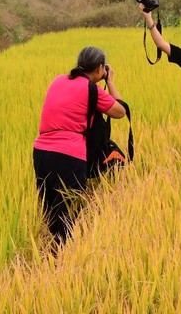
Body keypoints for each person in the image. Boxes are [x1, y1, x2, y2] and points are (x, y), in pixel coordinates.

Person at [32, 46, 127, 247]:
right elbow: (120, 111)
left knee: (51, 208)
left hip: (41, 152)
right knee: (70, 209)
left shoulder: (58, 80)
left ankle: (52, 254)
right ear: (100, 68)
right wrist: (110, 82)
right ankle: (68, 258)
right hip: (69, 156)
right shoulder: (90, 89)